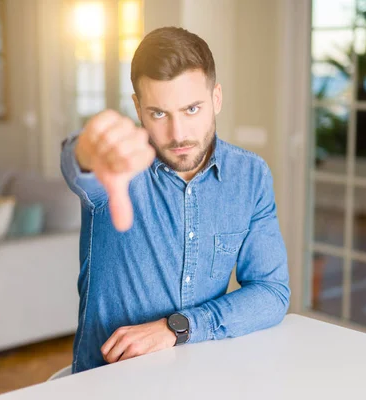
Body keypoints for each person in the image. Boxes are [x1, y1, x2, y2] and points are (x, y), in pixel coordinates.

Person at [60, 26, 290, 373]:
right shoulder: (120, 169)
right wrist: (87, 151)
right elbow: (79, 164)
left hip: (203, 376)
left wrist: (178, 327)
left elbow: (271, 293)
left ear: (216, 98)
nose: (178, 133)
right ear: (138, 108)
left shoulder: (251, 176)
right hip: (109, 384)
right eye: (159, 113)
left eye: (192, 109)